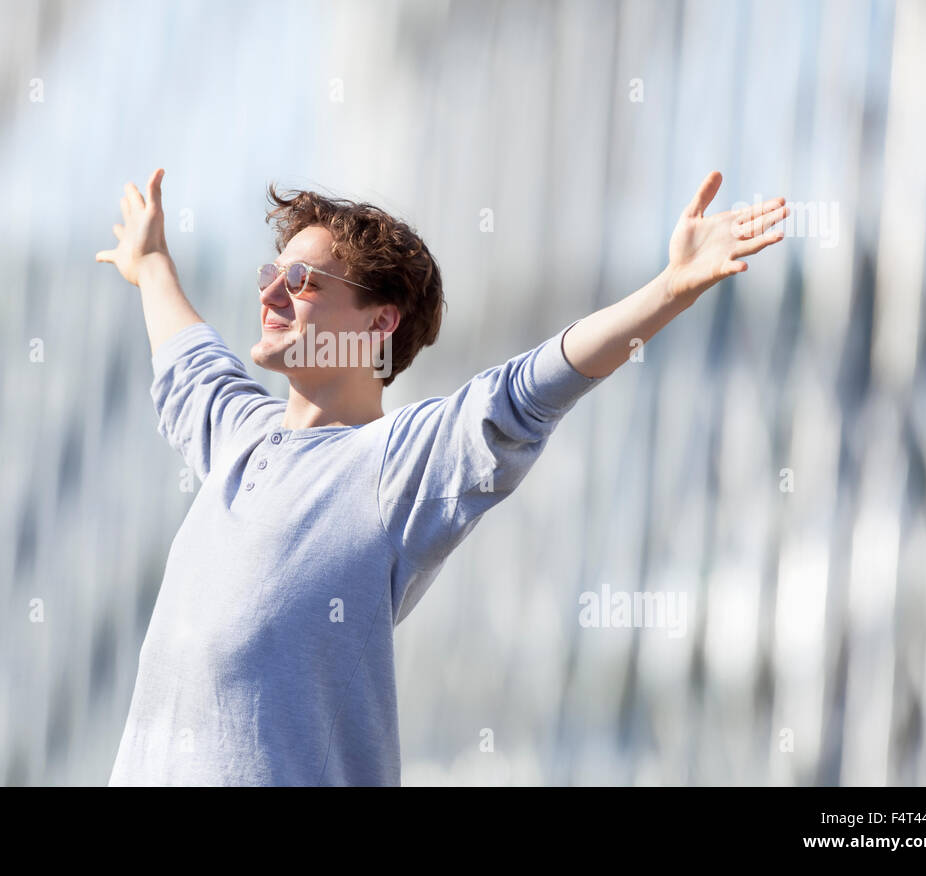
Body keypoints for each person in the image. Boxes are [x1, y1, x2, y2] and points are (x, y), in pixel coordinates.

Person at [95, 167, 788, 785]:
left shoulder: (393, 464)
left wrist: (667, 291)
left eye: (301, 280)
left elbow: (526, 391)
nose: (272, 292)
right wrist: (152, 261)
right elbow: (188, 357)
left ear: (379, 322)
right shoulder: (235, 436)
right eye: (269, 275)